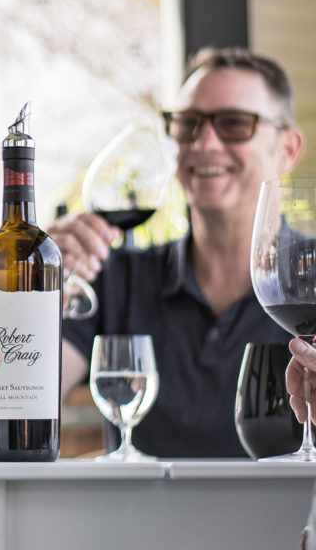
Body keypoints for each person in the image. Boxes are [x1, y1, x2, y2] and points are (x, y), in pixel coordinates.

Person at [50, 46, 306, 457]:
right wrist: (35, 293)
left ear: (288, 150)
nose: (203, 142)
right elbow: (27, 398)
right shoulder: (116, 277)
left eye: (234, 123)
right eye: (187, 123)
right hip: (140, 522)